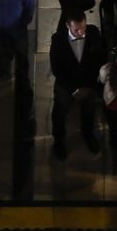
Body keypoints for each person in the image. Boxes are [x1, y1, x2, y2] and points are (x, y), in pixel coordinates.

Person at [49, 8, 106, 160]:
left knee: (89, 111)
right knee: (60, 113)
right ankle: (59, 141)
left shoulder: (93, 33)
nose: (81, 33)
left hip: (88, 83)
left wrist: (90, 85)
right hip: (67, 85)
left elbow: (100, 59)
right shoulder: (58, 39)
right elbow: (56, 69)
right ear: (68, 25)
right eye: (76, 30)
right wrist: (73, 89)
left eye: (83, 28)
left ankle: (88, 133)